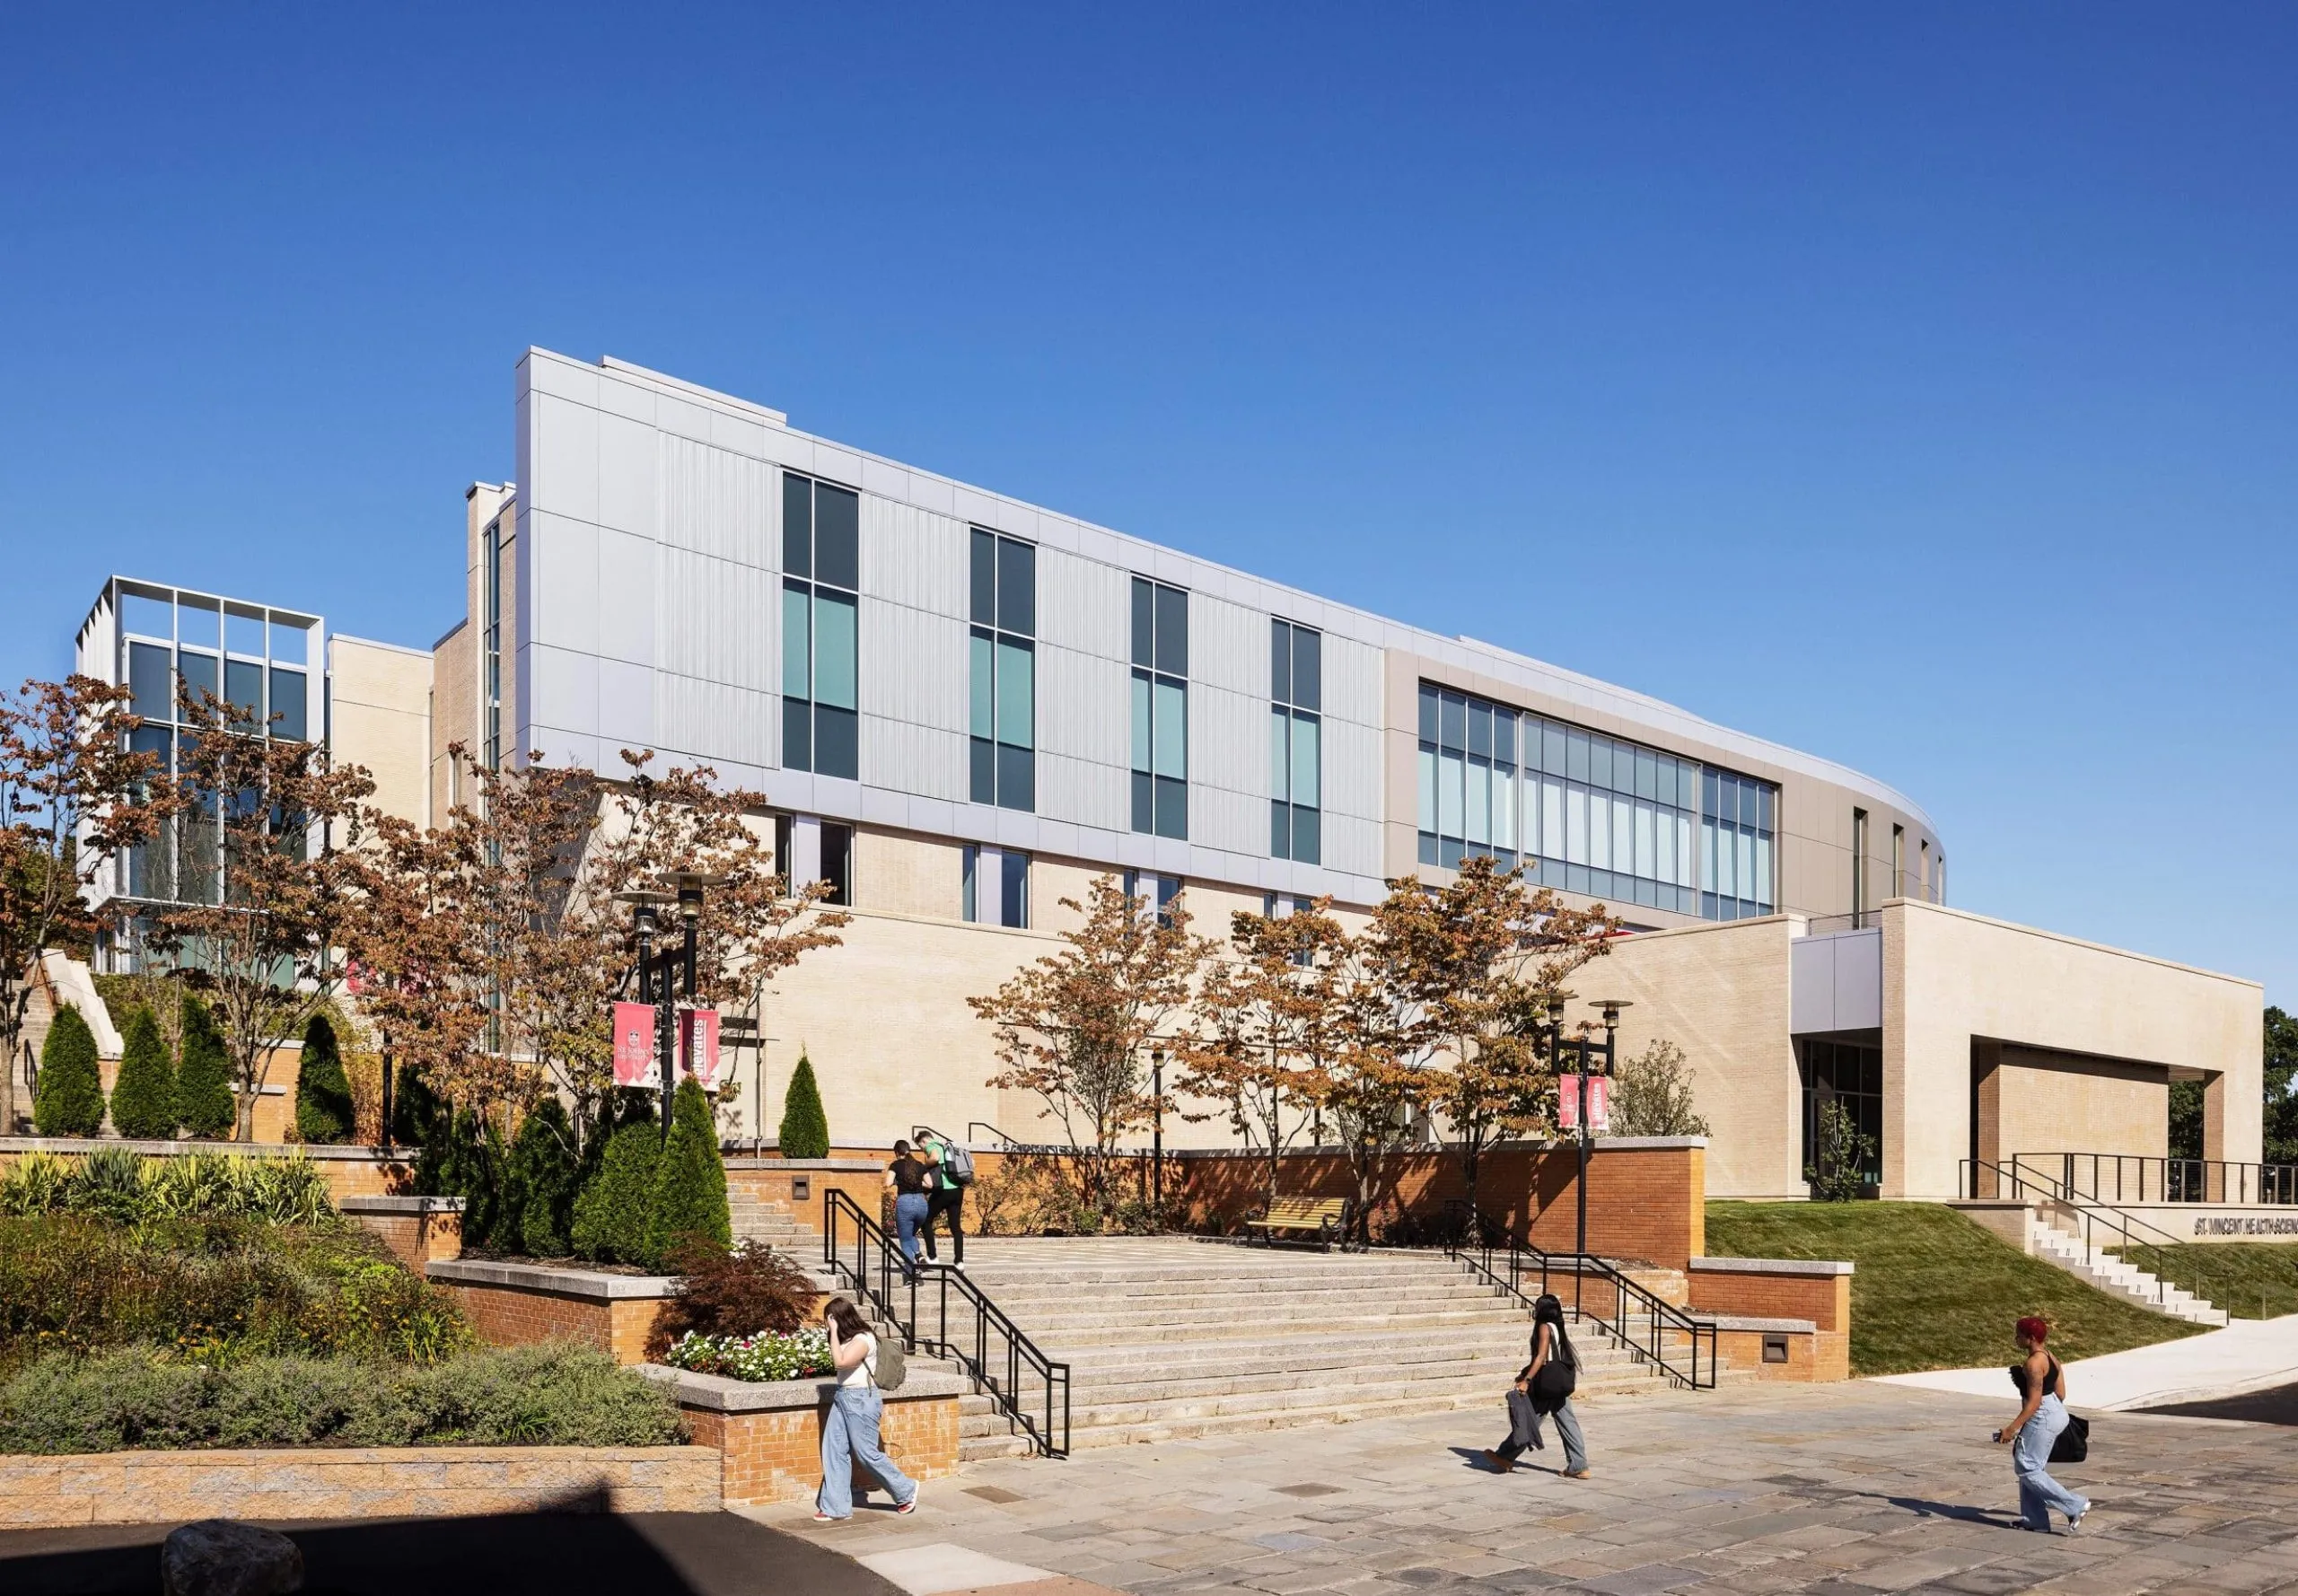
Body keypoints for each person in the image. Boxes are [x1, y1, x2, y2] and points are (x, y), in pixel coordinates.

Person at [812, 1296, 919, 1523]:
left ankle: (906, 1490)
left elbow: (841, 1363)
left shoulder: (863, 1339)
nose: (827, 1324)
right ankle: (836, 1507)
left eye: (829, 1320)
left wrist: (832, 1332)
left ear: (839, 1318)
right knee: (834, 1450)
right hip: (843, 1397)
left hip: (861, 1399)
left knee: (866, 1453)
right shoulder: (850, 1337)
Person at [1995, 1316, 2089, 1534]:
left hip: (2043, 1415)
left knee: (2026, 1466)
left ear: (2031, 1338)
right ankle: (2034, 1520)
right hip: (2055, 1411)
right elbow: (2061, 1393)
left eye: (2019, 1334)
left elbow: (2035, 1403)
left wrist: (2012, 1428)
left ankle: (2076, 1504)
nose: (2015, 1338)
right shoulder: (2050, 1357)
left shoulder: (2033, 1363)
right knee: (2031, 1466)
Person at [1483, 1293, 1590, 1478]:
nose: (1535, 1309)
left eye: (1537, 1306)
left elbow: (1541, 1357)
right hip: (1558, 1384)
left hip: (1546, 1387)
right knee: (1568, 1424)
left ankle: (1505, 1456)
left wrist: (1527, 1380)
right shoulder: (1557, 1327)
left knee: (1528, 1422)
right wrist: (1525, 1371)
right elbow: (1550, 1357)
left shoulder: (1543, 1327)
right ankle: (1579, 1464)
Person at [917, 1127, 966, 1271]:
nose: (922, 1149)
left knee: (926, 1220)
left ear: (924, 1140)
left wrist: (922, 1167)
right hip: (958, 1190)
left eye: (921, 1146)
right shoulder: (947, 1146)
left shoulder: (931, 1146)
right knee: (956, 1227)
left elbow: (935, 1158)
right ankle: (959, 1261)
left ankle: (932, 1257)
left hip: (944, 1190)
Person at [885, 1138, 932, 1279]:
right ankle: (919, 1255)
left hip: (905, 1203)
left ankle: (912, 1270)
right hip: (921, 1203)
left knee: (904, 1240)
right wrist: (916, 1183)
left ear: (896, 1152)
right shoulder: (919, 1165)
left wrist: (897, 1181)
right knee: (911, 1234)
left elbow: (887, 1183)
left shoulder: (895, 1165)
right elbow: (930, 1184)